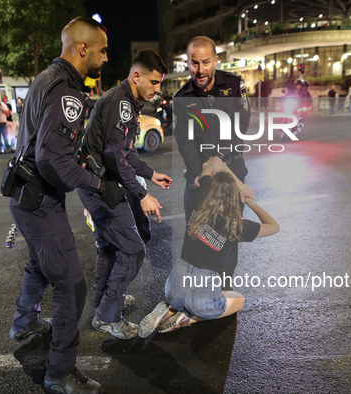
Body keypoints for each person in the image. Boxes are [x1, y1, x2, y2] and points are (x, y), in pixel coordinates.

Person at [8, 16, 117, 394]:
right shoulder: (68, 92)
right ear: (82, 48)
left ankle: (24, 323)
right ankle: (60, 372)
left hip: (25, 196)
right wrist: (97, 183)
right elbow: (53, 160)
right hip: (39, 200)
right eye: (102, 50)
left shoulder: (45, 79)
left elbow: (48, 147)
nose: (105, 57)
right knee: (71, 285)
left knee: (39, 264)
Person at [78, 49, 172, 339]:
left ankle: (104, 303)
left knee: (108, 247)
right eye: (154, 83)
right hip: (101, 187)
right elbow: (114, 154)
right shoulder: (121, 102)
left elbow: (127, 152)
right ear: (136, 76)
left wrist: (149, 173)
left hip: (95, 184)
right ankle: (108, 315)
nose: (158, 90)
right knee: (132, 249)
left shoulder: (126, 100)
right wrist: (141, 195)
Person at [138, 156, 279, 337]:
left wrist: (212, 167)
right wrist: (248, 199)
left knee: (181, 294)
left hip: (174, 287)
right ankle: (189, 319)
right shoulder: (236, 225)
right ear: (233, 196)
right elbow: (274, 226)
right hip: (201, 296)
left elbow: (209, 166)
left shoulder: (201, 198)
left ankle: (170, 308)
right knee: (239, 300)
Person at [173, 35, 251, 279]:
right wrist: (200, 172)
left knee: (228, 233)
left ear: (216, 60)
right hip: (199, 177)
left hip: (231, 172)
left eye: (205, 62)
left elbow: (243, 122)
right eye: (194, 63)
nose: (200, 70)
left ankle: (224, 287)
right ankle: (197, 287)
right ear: (187, 63)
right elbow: (184, 141)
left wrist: (221, 156)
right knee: (196, 233)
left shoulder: (234, 84)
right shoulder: (181, 97)